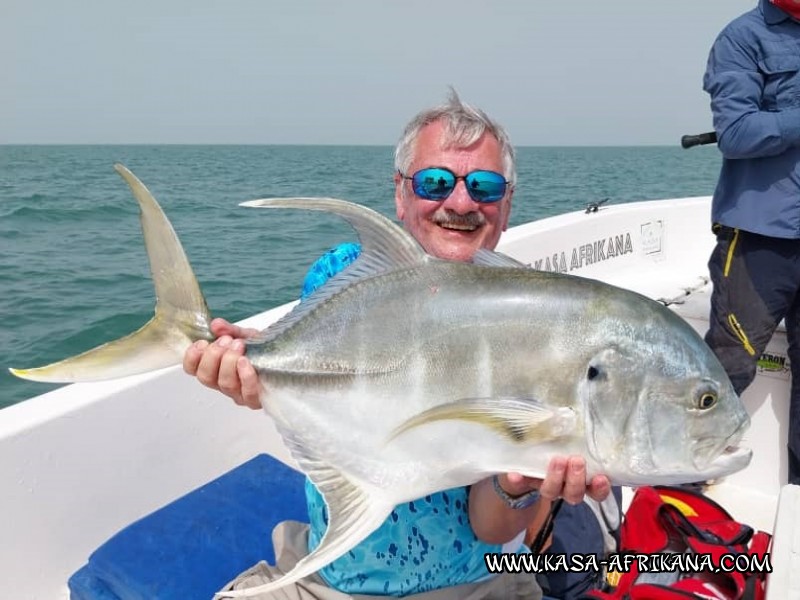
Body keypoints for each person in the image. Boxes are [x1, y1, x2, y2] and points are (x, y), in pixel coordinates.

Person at [184, 90, 613, 599]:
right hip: (337, 583)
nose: (460, 203)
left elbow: (491, 529)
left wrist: (518, 483)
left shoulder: (531, 323)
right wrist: (252, 373)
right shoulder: (342, 276)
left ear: (507, 203)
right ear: (400, 194)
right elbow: (322, 374)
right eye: (435, 182)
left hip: (473, 585)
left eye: (485, 185)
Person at [702, 0, 800, 486]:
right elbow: (736, 132)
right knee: (724, 371)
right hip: (759, 238)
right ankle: (676, 502)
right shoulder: (742, 37)